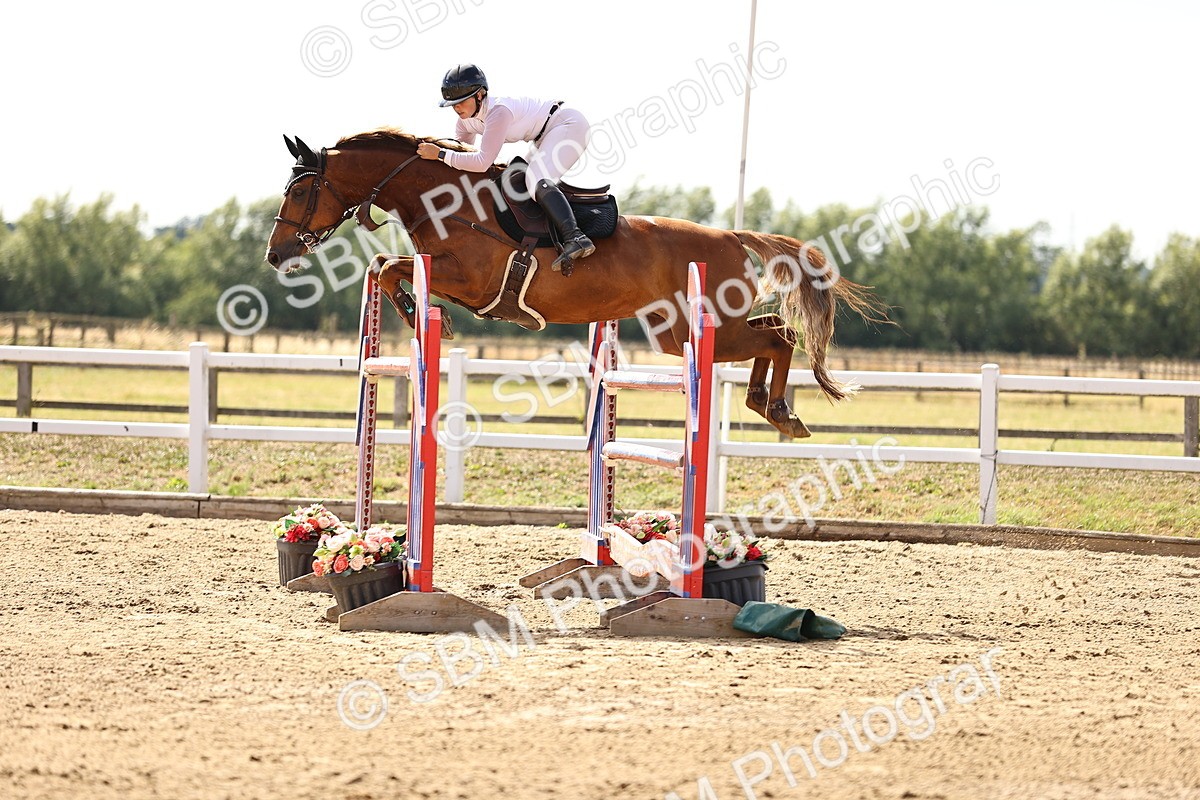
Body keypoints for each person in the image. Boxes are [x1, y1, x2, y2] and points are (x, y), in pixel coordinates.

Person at [416, 64, 596, 273]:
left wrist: (439, 154)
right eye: (453, 104)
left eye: (461, 101)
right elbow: (462, 157)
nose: (456, 108)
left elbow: (482, 161)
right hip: (544, 137)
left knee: (533, 179)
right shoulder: (465, 122)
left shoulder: (498, 112)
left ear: (480, 95)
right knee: (516, 178)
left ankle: (576, 236)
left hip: (567, 125)